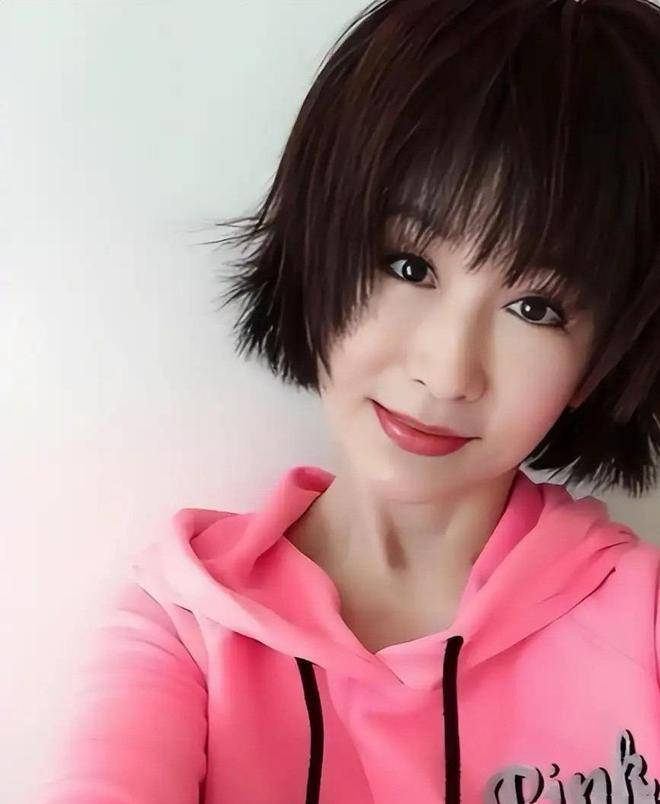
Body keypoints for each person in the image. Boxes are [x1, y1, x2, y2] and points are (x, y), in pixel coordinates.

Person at [37, 0, 660, 802]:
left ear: (605, 356)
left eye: (536, 308)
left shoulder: (641, 622)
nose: (447, 371)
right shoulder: (189, 621)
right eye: (409, 266)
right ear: (317, 244)